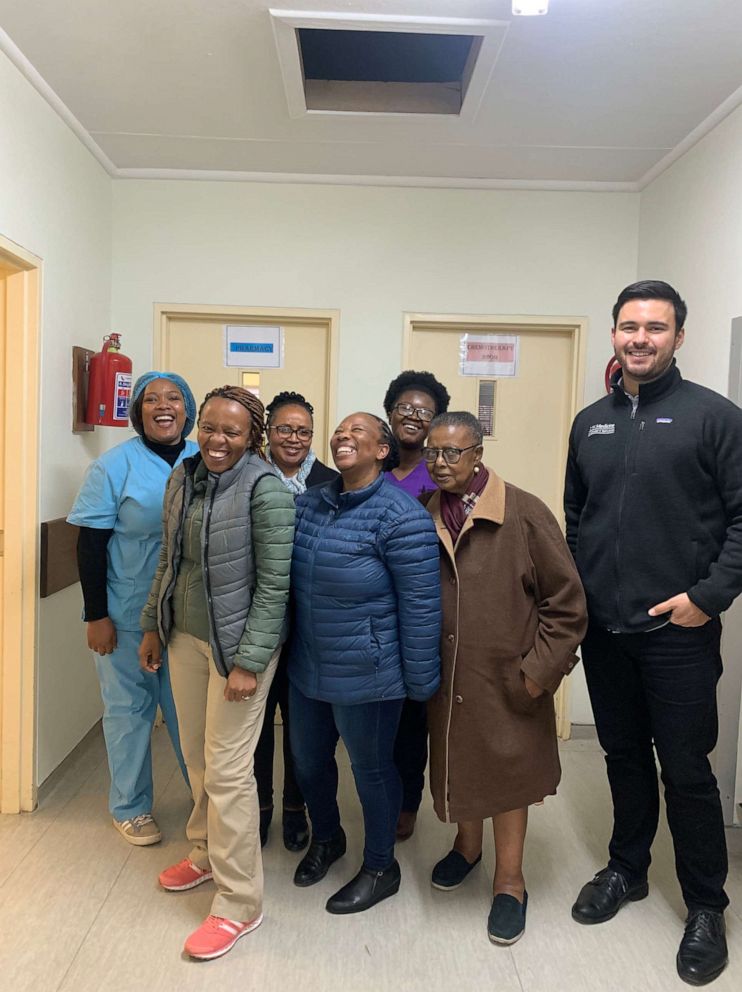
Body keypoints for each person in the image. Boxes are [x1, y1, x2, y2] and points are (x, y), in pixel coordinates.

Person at [565, 280, 742, 986]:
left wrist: (707, 597)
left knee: (689, 772)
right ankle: (627, 868)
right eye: (629, 326)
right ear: (613, 334)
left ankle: (706, 906)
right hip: (605, 631)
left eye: (655, 327)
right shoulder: (590, 422)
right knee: (622, 757)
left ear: (678, 337)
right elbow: (577, 514)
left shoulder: (716, 419)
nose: (640, 338)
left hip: (678, 633)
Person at [138, 385, 295, 961]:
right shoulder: (185, 477)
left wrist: (249, 663)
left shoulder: (267, 490)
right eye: (209, 427)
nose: (216, 440)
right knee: (198, 754)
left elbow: (276, 588)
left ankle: (239, 902)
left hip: (239, 650)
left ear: (252, 437)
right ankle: (205, 854)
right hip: (185, 636)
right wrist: (153, 623)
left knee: (229, 772)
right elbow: (169, 558)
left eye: (231, 431)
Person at [423, 411, 586, 945]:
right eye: (432, 453)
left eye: (453, 453)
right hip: (447, 674)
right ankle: (467, 848)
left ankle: (510, 881)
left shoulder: (524, 512)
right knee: (458, 762)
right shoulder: (426, 511)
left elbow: (567, 605)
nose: (440, 463)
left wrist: (536, 675)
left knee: (508, 775)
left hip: (509, 677)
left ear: (478, 455)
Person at [288, 412, 441, 914]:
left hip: (370, 673)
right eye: (340, 431)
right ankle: (328, 839)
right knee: (309, 763)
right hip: (308, 666)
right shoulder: (310, 503)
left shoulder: (402, 516)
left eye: (359, 432)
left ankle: (381, 866)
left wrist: (419, 683)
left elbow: (421, 605)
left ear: (382, 450)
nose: (343, 437)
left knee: (372, 770)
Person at [67, 372, 197, 845]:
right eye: (151, 400)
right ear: (137, 412)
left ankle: (202, 802)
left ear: (189, 408)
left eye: (174, 398)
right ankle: (131, 806)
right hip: (125, 611)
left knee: (189, 713)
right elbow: (90, 545)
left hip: (188, 615)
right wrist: (95, 615)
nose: (164, 406)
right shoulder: (113, 466)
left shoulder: (205, 459)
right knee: (128, 710)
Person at [255, 390, 338, 851]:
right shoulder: (247, 472)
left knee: (303, 727)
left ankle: (293, 808)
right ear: (268, 430)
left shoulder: (331, 481)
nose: (293, 438)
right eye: (284, 429)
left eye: (303, 431)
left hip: (310, 625)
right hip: (256, 624)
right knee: (256, 723)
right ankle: (261, 807)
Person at [382, 370, 450, 841]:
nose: (412, 416)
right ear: (389, 412)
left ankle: (407, 801)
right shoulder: (373, 465)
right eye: (404, 407)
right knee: (377, 716)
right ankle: (380, 793)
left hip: (420, 611)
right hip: (371, 612)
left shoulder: (444, 474)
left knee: (412, 718)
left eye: (424, 411)